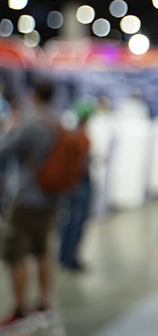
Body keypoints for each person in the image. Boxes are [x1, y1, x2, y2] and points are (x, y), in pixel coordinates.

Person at [0, 82, 63, 331]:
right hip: (52, 198)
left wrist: (10, 128)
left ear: (34, 95)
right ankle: (45, 305)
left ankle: (21, 309)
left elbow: (3, 148)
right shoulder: (59, 122)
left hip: (27, 199)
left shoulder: (33, 123)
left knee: (15, 253)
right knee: (43, 251)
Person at [58, 100, 94, 272]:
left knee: (71, 220)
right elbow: (81, 164)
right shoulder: (80, 137)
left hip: (74, 183)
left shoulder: (72, 135)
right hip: (80, 183)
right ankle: (69, 257)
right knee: (76, 221)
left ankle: (66, 255)